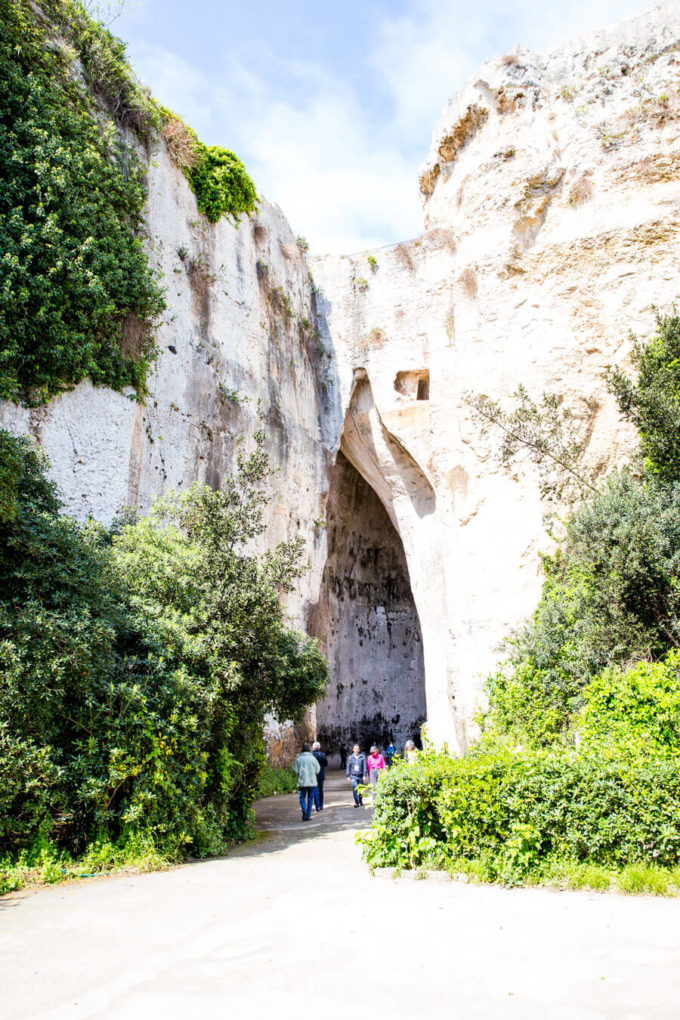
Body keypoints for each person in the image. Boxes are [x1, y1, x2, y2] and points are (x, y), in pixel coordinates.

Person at [293, 743, 320, 822]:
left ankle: (304, 810)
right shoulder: (313, 759)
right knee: (310, 798)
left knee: (302, 797)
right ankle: (308, 815)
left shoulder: (299, 759)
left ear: (302, 751)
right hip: (312, 782)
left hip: (302, 782)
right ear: (309, 750)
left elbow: (295, 770)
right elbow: (318, 770)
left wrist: (300, 774)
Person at [311, 741, 328, 811]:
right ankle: (321, 805)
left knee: (315, 790)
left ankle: (316, 805)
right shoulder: (323, 755)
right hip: (321, 774)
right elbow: (326, 764)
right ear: (319, 747)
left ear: (313, 748)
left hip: (313, 775)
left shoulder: (311, 755)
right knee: (321, 790)